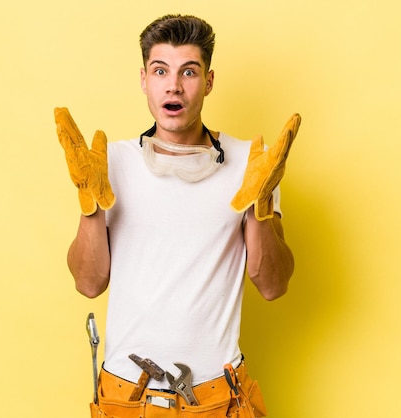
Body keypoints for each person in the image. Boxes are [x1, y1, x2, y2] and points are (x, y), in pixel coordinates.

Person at [54, 14, 300, 418]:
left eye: (189, 71)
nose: (174, 85)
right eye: (160, 70)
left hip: (216, 400)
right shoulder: (107, 162)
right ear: (144, 79)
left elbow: (273, 285)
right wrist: (90, 202)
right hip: (124, 399)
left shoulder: (251, 163)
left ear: (208, 81)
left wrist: (260, 207)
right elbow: (88, 282)